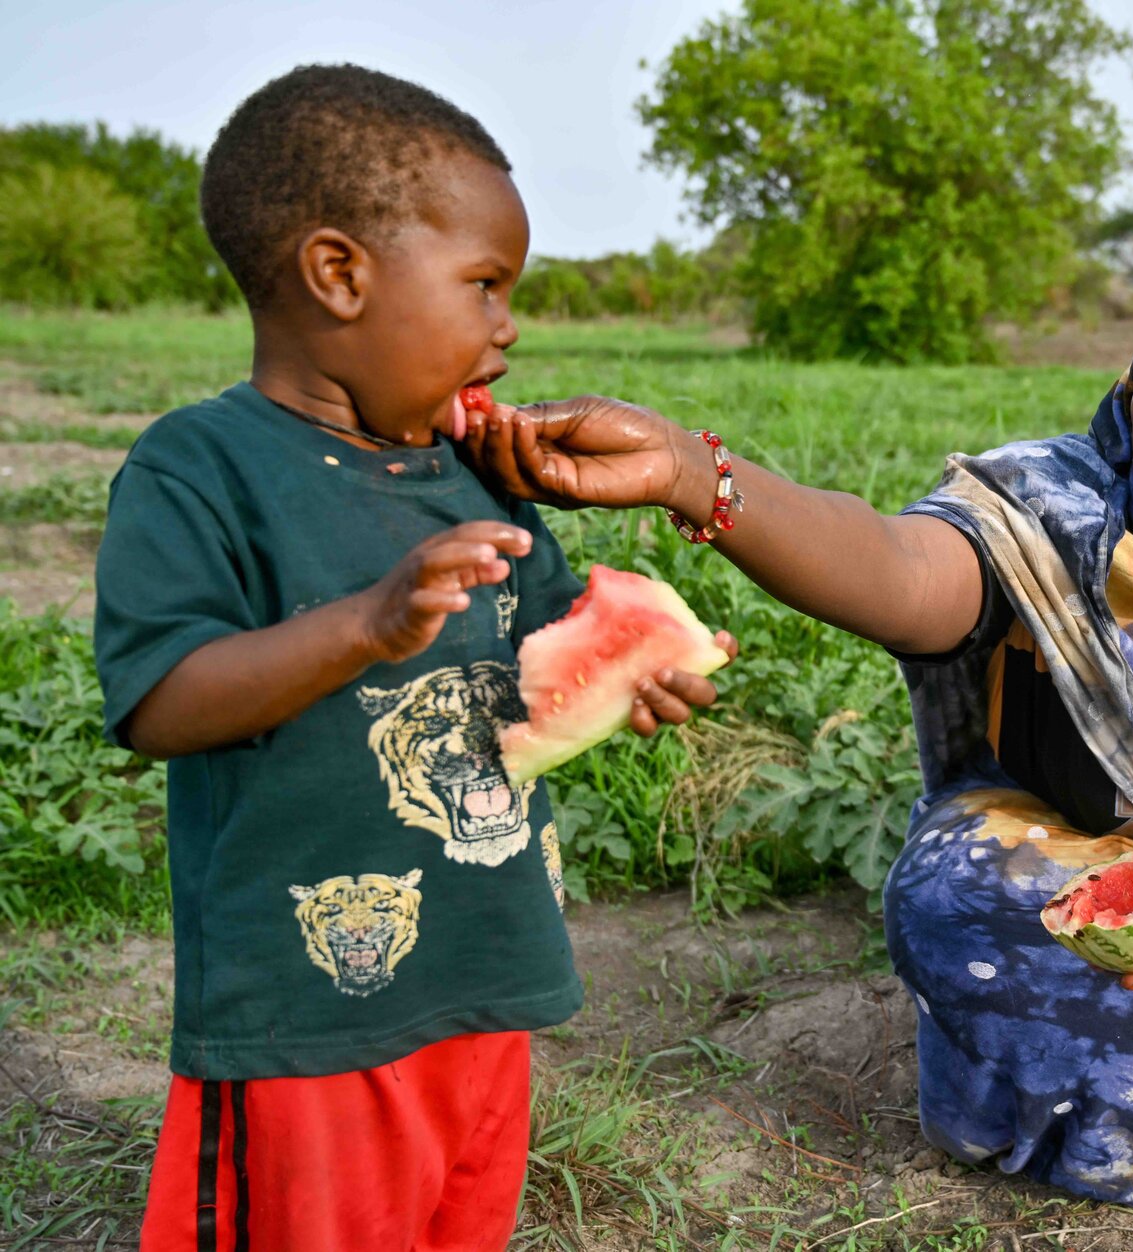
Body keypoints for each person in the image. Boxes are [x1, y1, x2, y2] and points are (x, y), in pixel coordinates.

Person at [468, 253, 1133, 1213]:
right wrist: (695, 475)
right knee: (951, 896)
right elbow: (898, 568)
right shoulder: (1050, 509)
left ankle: (1122, 1072)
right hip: (1061, 861)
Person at [93, 66, 731, 1252]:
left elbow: (540, 650)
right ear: (340, 275)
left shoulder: (471, 475)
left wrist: (630, 671)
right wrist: (366, 626)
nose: (509, 326)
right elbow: (160, 700)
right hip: (306, 1014)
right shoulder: (198, 469)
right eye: (485, 286)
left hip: (485, 979)